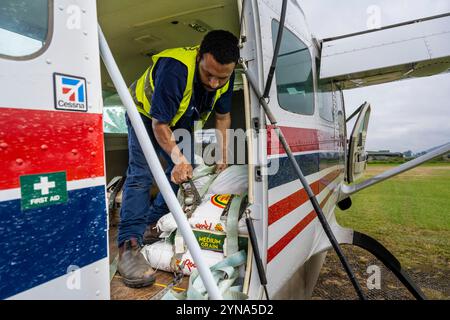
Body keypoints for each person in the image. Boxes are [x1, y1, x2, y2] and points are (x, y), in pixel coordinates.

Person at [117, 30, 240, 288]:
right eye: (209, 75)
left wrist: (223, 155)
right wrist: (177, 158)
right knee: (141, 174)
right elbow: (160, 124)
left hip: (177, 121)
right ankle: (128, 246)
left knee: (185, 171)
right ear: (199, 57)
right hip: (143, 113)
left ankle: (152, 223)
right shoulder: (176, 70)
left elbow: (222, 117)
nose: (215, 83)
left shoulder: (224, 77)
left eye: (222, 77)